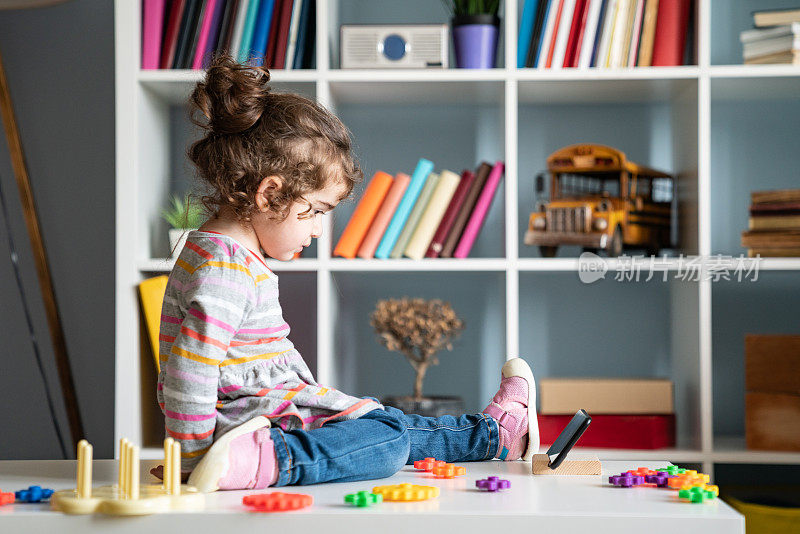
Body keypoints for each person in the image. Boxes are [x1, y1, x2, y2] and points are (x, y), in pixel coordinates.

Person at [155, 54, 539, 492]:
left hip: (269, 414)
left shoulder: (220, 252)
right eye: (313, 212)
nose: (318, 230)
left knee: (378, 419)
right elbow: (191, 368)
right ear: (269, 194)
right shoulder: (225, 268)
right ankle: (260, 464)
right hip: (254, 430)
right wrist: (191, 458)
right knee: (388, 440)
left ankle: (496, 436)